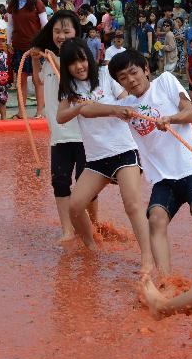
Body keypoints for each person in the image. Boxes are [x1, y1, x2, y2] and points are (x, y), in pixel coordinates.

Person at [107, 50, 192, 304]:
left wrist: (171, 118)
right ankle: (167, 284)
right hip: (162, 179)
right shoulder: (127, 109)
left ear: (146, 69)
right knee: (156, 220)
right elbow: (94, 109)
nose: (131, 80)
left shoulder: (166, 81)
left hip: (190, 168)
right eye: (123, 77)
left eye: (134, 72)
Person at [55, 38, 153, 271]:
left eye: (82, 59)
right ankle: (91, 247)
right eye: (72, 63)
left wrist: (130, 110)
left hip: (123, 150)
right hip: (97, 159)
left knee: (132, 204)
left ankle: (147, 259)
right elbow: (61, 118)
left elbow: (125, 99)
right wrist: (79, 107)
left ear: (89, 56)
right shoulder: (70, 90)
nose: (79, 66)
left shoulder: (105, 75)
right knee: (75, 207)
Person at [31, 10, 98, 242]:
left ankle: (94, 225)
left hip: (83, 134)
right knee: (60, 181)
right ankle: (68, 229)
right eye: (57, 31)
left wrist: (56, 58)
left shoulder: (78, 61)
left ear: (76, 33)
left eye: (66, 30)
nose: (61, 35)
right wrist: (35, 57)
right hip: (59, 135)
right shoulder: (49, 60)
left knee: (86, 184)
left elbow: (73, 79)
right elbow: (39, 80)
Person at [5, 0, 48, 119]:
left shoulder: (37, 3)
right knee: (20, 80)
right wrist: (8, 42)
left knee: (37, 80)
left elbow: (45, 25)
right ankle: (21, 112)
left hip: (35, 47)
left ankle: (40, 111)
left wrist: (43, 44)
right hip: (18, 47)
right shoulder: (12, 4)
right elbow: (10, 26)